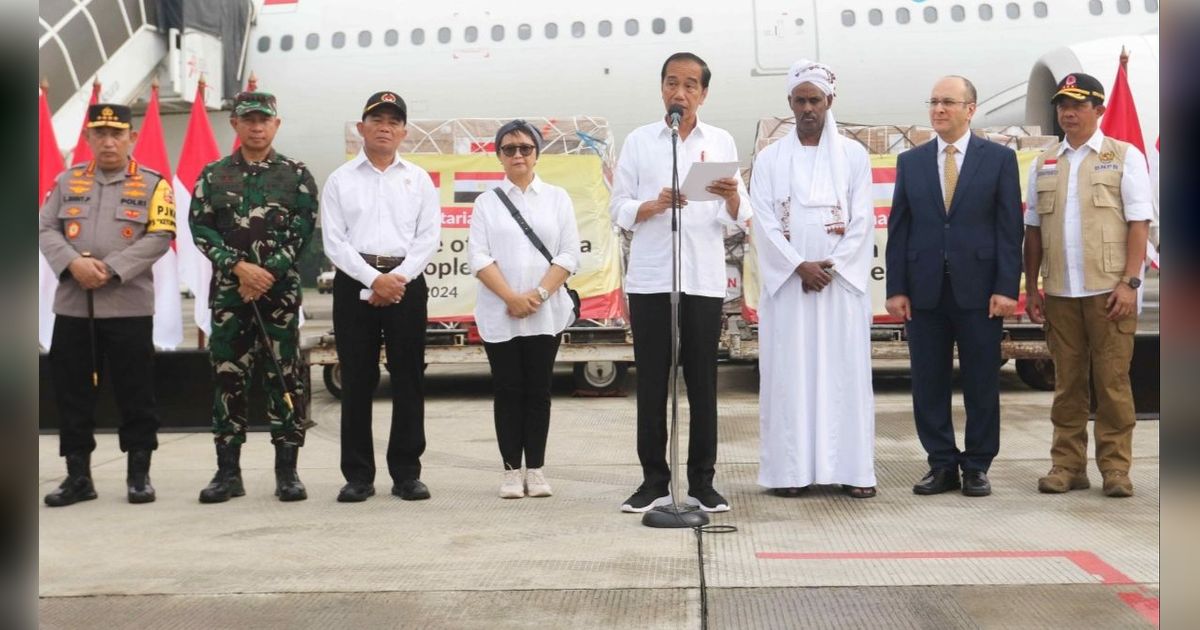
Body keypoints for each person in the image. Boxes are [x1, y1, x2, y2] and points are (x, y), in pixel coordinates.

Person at [609, 52, 751, 513]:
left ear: (704, 93)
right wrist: (650, 206)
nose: (680, 93)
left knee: (703, 382)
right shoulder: (641, 142)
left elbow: (741, 219)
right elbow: (618, 208)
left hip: (704, 279)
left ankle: (702, 483)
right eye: (673, 83)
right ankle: (653, 480)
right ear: (662, 88)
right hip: (651, 279)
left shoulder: (720, 140)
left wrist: (730, 199)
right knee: (651, 382)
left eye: (691, 85)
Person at [885, 76, 1023, 497]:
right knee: (928, 381)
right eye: (934, 102)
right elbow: (899, 229)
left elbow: (1008, 228)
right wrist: (896, 288)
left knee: (981, 381)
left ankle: (978, 465)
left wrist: (1005, 288)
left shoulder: (997, 160)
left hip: (980, 292)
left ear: (971, 108)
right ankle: (942, 463)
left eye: (948, 102)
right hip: (926, 291)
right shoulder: (912, 162)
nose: (939, 109)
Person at [750, 60, 877, 499]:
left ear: (830, 102)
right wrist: (798, 266)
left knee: (844, 378)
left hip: (839, 289)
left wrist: (832, 267)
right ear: (789, 103)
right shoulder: (769, 160)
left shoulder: (854, 157)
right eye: (800, 100)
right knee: (790, 378)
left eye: (815, 100)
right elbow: (762, 223)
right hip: (790, 291)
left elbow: (863, 221)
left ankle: (854, 471)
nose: (808, 108)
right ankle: (790, 473)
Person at [1023, 73, 1153, 498]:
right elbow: (1033, 233)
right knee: (1068, 384)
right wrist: (1033, 287)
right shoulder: (1044, 162)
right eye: (1063, 105)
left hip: (1109, 292)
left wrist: (1131, 283)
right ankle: (1067, 466)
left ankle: (1116, 469)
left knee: (1113, 383)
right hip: (1061, 293)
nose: (1068, 112)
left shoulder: (1124, 155)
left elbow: (1138, 223)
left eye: (1078, 105)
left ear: (1098, 110)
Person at [38, 103, 174, 506]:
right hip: (74, 308)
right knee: (72, 393)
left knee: (137, 393)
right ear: (89, 139)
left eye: (117, 134)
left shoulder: (153, 184)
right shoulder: (66, 181)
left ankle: (138, 475)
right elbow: (45, 226)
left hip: (128, 307)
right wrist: (73, 263)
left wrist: (112, 269)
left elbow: (161, 234)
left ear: (131, 137)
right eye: (100, 134)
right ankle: (78, 477)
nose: (109, 142)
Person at [189, 92, 318, 503]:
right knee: (228, 378)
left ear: (276, 124)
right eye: (249, 120)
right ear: (235, 125)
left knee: (284, 378)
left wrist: (266, 273)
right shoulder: (213, 175)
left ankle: (288, 473)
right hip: (231, 296)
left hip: (277, 298)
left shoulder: (295, 174)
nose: (257, 127)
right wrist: (239, 268)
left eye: (264, 120)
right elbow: (201, 229)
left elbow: (302, 232)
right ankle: (228, 474)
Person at [320, 91, 441, 503]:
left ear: (404, 131)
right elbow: (334, 243)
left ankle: (407, 473)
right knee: (357, 379)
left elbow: (428, 238)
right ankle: (358, 475)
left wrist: (397, 279)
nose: (385, 127)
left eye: (393, 121)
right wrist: (373, 279)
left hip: (406, 283)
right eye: (377, 120)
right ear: (362, 128)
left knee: (409, 377)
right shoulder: (340, 179)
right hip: (355, 284)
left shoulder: (418, 178)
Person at [468, 120, 582, 499]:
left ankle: (535, 468)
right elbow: (478, 256)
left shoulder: (557, 198)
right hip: (500, 312)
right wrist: (511, 298)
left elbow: (568, 253)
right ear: (499, 155)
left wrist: (538, 295)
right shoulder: (486, 203)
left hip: (544, 312)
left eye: (525, 148)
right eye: (509, 149)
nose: (518, 155)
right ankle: (510, 471)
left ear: (536, 153)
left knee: (538, 391)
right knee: (507, 389)